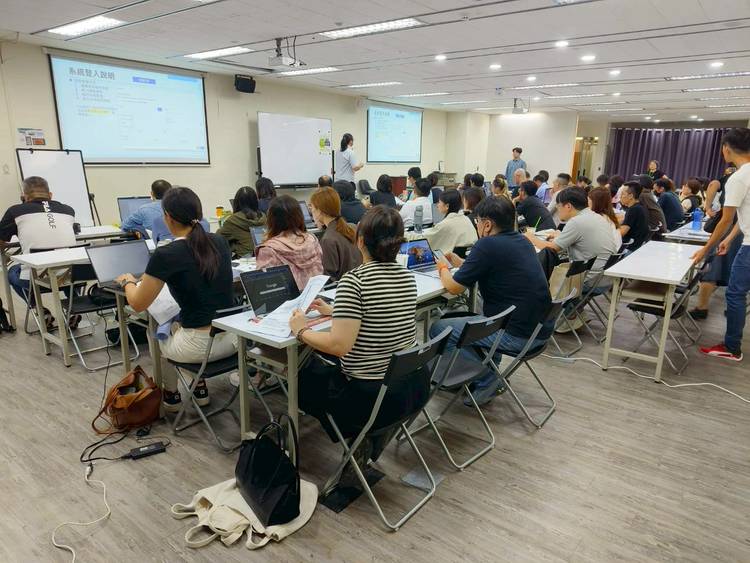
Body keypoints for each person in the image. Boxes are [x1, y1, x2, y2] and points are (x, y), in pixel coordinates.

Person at [289, 206, 421, 467]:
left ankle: (358, 436)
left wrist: (301, 330)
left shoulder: (354, 281)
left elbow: (339, 346)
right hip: (411, 385)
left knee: (300, 379)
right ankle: (368, 436)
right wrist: (338, 310)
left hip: (370, 397)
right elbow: (380, 310)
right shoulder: (407, 276)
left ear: (360, 241)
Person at [115, 187, 235, 412]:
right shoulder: (219, 242)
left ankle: (171, 395)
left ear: (168, 217)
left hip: (198, 348)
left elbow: (138, 303)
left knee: (159, 329)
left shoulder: (166, 254)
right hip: (232, 341)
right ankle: (199, 387)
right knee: (177, 322)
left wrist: (127, 282)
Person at [430, 196, 553, 405]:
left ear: (487, 225)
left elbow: (454, 288)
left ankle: (486, 379)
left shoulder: (487, 245)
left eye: (477, 221)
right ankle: (484, 371)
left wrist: (442, 267)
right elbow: (491, 265)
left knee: (440, 329)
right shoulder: (522, 241)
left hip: (516, 335)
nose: (477, 226)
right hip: (539, 329)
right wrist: (462, 263)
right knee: (474, 323)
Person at [692, 128, 750, 361]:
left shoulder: (738, 178)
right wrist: (727, 239)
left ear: (726, 148)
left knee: (735, 294)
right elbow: (744, 216)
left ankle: (731, 347)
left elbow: (726, 219)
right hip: (745, 240)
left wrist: (705, 249)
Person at [0, 176, 76, 325]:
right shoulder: (68, 210)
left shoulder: (15, 211)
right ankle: (73, 309)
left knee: (12, 273)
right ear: (50, 195)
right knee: (66, 265)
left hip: (37, 279)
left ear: (25, 197)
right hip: (70, 275)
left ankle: (41, 311)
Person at [526, 187, 617, 273]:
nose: (557, 209)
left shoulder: (576, 222)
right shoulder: (597, 217)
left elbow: (552, 248)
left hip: (586, 278)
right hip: (602, 275)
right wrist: (561, 235)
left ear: (568, 206)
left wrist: (531, 238)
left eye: (558, 206)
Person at [256, 194, 324, 290]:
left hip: (289, 299)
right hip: (317, 296)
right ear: (299, 216)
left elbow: (264, 288)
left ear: (271, 219)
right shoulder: (312, 240)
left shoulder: (269, 250)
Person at [309, 187, 362, 281]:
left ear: (320, 211)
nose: (312, 212)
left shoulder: (328, 240)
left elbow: (328, 279)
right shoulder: (352, 227)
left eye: (312, 208)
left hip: (342, 287)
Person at [407, 189, 477, 254]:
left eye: (439, 202)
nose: (437, 205)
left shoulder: (445, 224)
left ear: (447, 206)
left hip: (449, 260)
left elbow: (424, 240)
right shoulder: (466, 219)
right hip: (465, 258)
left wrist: (406, 235)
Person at [216, 186, 266, 257]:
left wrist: (233, 247)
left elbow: (218, 238)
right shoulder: (263, 217)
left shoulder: (233, 220)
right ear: (255, 201)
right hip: (263, 256)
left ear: (237, 202)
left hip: (243, 259)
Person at [618, 181, 650, 250]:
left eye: (622, 194)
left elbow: (621, 233)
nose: (620, 196)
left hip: (629, 249)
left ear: (630, 196)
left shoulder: (633, 210)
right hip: (638, 246)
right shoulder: (640, 206)